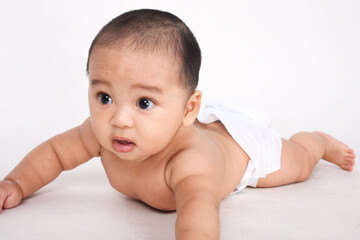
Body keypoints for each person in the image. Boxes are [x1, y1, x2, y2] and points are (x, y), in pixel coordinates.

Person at [0, 9, 356, 240]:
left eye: (144, 103)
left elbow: (198, 212)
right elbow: (55, 154)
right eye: (104, 97)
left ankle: (317, 142)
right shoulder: (99, 133)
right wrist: (17, 181)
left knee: (298, 164)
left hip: (245, 152)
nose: (119, 119)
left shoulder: (189, 163)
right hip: (203, 128)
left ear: (188, 109)